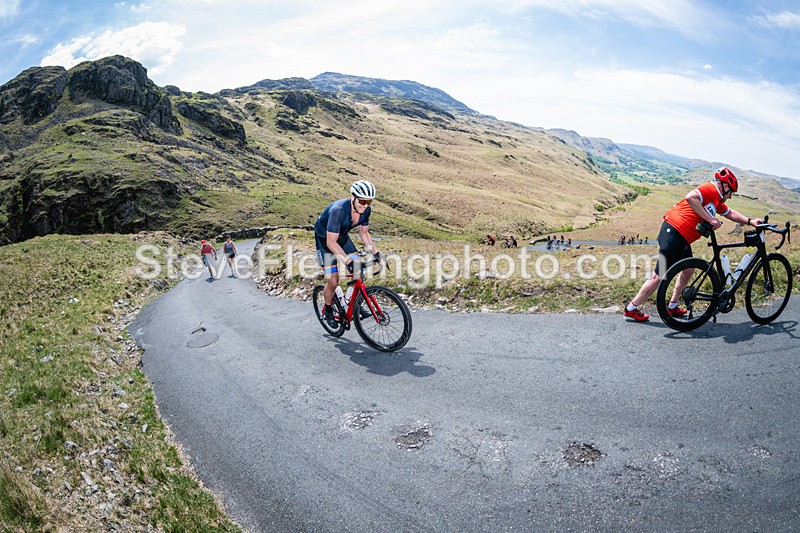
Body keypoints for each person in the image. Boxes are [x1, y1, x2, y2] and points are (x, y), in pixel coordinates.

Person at [624, 167, 763, 322]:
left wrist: (750, 221)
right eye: (731, 192)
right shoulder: (711, 189)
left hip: (680, 237)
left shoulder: (716, 200)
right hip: (674, 233)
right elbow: (691, 197)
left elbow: (730, 213)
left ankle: (672, 306)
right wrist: (711, 220)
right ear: (725, 186)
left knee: (688, 270)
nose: (730, 196)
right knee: (658, 276)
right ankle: (632, 308)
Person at [314, 180, 383, 328]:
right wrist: (347, 261)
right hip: (325, 239)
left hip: (342, 237)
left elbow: (364, 234)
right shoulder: (338, 210)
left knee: (358, 270)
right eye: (362, 201)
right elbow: (331, 242)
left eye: (368, 202)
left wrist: (377, 253)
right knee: (333, 281)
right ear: (353, 197)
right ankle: (328, 309)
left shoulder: (365, 211)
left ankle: (352, 303)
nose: (364, 206)